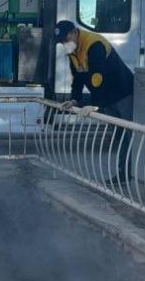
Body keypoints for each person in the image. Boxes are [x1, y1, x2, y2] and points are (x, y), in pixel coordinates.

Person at [54, 20, 135, 182]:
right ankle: (124, 173)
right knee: (119, 134)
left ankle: (134, 173)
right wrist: (75, 99)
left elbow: (98, 77)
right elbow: (77, 77)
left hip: (123, 93)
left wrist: (95, 104)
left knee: (131, 134)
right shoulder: (74, 51)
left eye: (66, 39)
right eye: (61, 41)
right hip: (107, 97)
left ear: (74, 32)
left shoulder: (94, 44)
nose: (64, 43)